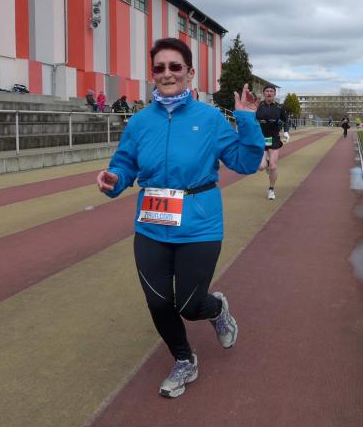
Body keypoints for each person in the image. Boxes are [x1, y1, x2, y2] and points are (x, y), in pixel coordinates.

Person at [96, 37, 264, 399]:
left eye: (175, 67)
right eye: (160, 68)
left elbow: (246, 162)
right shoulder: (140, 122)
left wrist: (247, 121)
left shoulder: (209, 118)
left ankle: (216, 309)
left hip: (199, 225)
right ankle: (184, 359)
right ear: (152, 74)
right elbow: (124, 165)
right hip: (151, 225)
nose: (167, 73)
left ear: (189, 73)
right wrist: (113, 180)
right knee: (158, 302)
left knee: (190, 305)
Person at [255, 84, 289, 200]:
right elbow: (250, 120)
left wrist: (286, 132)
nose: (269, 93)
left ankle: (271, 189)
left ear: (274, 94)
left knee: (273, 167)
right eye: (267, 91)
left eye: (271, 91)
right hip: (260, 139)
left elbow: (286, 120)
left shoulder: (279, 108)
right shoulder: (258, 106)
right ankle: (267, 163)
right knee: (261, 167)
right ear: (264, 93)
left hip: (274, 138)